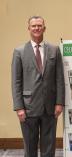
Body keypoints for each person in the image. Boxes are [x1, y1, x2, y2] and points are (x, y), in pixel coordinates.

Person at [11, 16, 65, 157]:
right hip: (28, 108)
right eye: (33, 26)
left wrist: (59, 103)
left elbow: (59, 78)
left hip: (50, 107)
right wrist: (19, 107)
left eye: (39, 25)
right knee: (30, 147)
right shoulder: (19, 51)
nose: (37, 28)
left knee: (49, 147)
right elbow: (16, 82)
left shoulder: (54, 50)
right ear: (28, 28)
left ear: (44, 28)